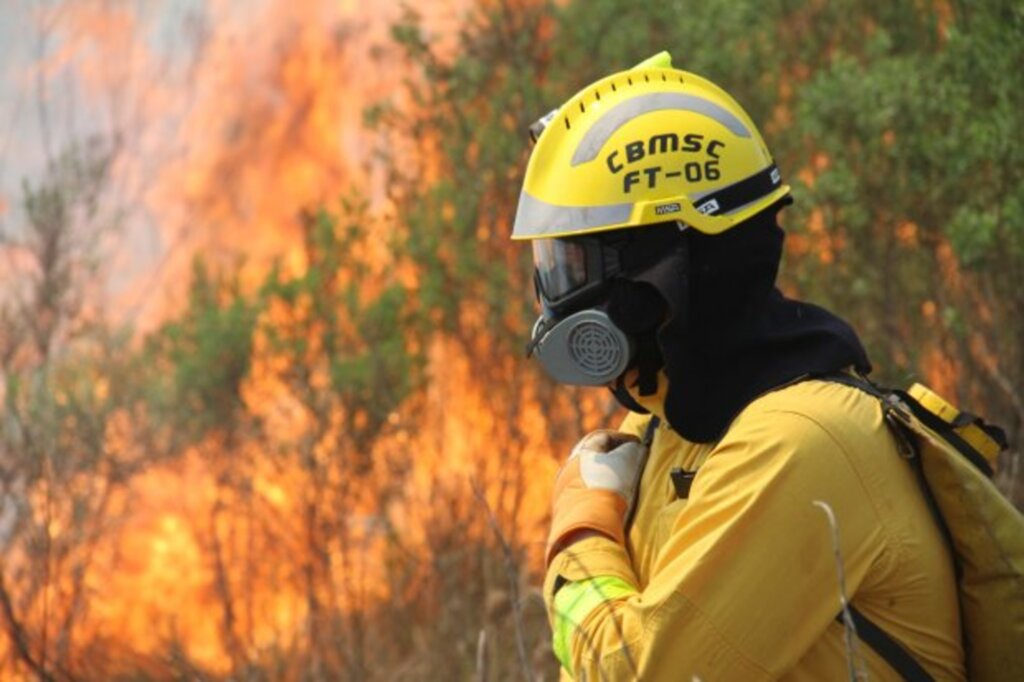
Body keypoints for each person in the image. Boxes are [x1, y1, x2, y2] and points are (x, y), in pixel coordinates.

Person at [512, 51, 964, 680]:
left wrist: (581, 531)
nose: (556, 300)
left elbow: (641, 672)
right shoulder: (670, 428)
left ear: (661, 273)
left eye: (575, 268)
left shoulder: (800, 445)